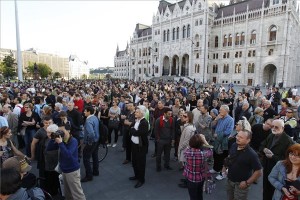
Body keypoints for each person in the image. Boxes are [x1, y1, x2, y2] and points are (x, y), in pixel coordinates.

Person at [46, 122, 86, 200]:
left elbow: (68, 156)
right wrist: (52, 137)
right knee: (67, 193)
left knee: (78, 194)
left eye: (62, 131)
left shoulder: (73, 141)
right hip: (64, 171)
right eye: (58, 131)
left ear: (69, 131)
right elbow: (49, 148)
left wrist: (60, 143)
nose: (60, 133)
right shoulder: (61, 139)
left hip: (72, 171)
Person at [259, 119, 294, 200]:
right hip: (267, 167)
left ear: (282, 128)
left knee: (275, 192)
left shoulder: (288, 141)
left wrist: (273, 157)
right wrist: (264, 149)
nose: (273, 128)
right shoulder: (271, 135)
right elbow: (262, 145)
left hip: (278, 171)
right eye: (272, 126)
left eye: (276, 127)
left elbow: (289, 159)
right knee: (266, 189)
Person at [223, 130, 262, 199]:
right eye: (237, 136)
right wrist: (224, 166)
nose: (237, 138)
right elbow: (230, 156)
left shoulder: (252, 154)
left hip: (241, 184)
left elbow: (258, 171)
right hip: (230, 180)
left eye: (241, 137)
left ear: (248, 140)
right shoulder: (234, 145)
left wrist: (247, 183)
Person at [183, 134, 213, 200]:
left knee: (192, 196)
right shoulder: (204, 154)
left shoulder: (187, 152)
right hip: (201, 178)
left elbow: (188, 147)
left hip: (190, 178)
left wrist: (193, 141)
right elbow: (211, 150)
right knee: (199, 195)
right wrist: (204, 140)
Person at [210, 105, 234, 179]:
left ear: (226, 111)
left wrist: (218, 135)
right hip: (216, 141)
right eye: (219, 110)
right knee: (216, 155)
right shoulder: (219, 118)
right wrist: (216, 119)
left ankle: (222, 173)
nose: (219, 111)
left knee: (223, 157)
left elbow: (228, 131)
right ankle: (216, 169)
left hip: (224, 142)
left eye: (221, 110)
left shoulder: (230, 119)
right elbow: (212, 126)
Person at [129, 105, 149, 188]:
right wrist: (133, 129)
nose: (135, 113)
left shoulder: (144, 122)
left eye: (137, 112)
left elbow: (137, 133)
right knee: (134, 162)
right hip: (134, 145)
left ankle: (141, 180)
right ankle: (136, 176)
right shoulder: (136, 120)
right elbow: (131, 128)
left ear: (142, 113)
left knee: (141, 163)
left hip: (141, 147)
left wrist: (133, 130)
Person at [81, 106, 100, 182]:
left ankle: (89, 176)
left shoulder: (88, 121)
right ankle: (96, 171)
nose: (84, 112)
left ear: (89, 112)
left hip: (91, 142)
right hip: (96, 140)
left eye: (85, 111)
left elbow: (91, 133)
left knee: (86, 159)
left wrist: (89, 142)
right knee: (95, 156)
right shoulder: (95, 117)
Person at [154, 107, 175, 172]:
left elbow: (173, 129)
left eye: (171, 114)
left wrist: (173, 139)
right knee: (159, 154)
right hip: (161, 140)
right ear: (164, 114)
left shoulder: (172, 120)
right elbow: (156, 131)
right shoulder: (158, 120)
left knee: (167, 154)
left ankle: (167, 165)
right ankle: (158, 166)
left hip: (168, 140)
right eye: (169, 114)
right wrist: (158, 139)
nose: (170, 115)